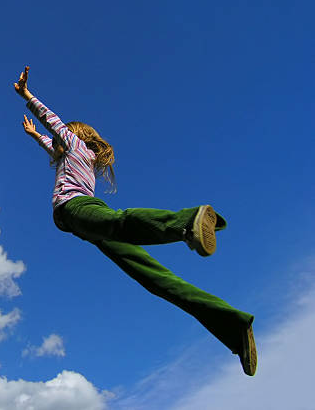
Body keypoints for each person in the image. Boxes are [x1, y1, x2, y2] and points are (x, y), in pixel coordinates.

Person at [14, 66, 257, 376]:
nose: (54, 141)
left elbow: (53, 122)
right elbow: (51, 144)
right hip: (89, 221)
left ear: (72, 136)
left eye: (59, 138)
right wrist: (36, 136)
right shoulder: (76, 155)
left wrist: (27, 96)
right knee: (154, 278)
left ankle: (186, 222)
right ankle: (233, 325)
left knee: (119, 222)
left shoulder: (73, 145)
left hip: (77, 209)